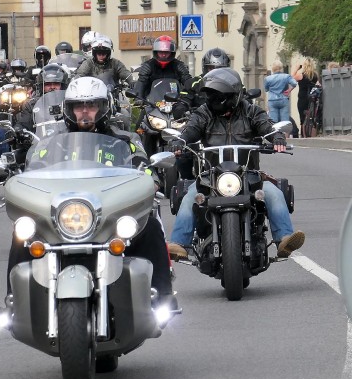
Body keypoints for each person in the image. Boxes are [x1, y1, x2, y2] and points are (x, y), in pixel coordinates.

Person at [0, 76, 177, 313]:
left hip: (109, 216)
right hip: (63, 217)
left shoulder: (125, 140)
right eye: (78, 106)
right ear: (68, 109)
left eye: (91, 106)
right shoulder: (50, 143)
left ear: (103, 108)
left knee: (151, 226)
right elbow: (34, 172)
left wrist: (151, 179)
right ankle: (12, 303)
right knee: (23, 231)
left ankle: (162, 295)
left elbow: (145, 170)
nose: (84, 112)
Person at [167, 68, 305, 261]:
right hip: (211, 176)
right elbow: (192, 129)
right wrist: (180, 141)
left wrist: (277, 137)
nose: (212, 99)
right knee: (191, 196)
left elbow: (267, 125)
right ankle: (179, 243)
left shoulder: (250, 111)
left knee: (274, 193)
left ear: (231, 95)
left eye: (217, 95)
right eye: (210, 95)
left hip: (248, 173)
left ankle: (283, 238)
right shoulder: (204, 112)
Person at [133, 35, 192, 99]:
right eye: (161, 52)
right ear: (156, 52)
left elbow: (187, 80)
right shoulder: (148, 66)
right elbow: (141, 83)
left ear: (172, 53)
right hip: (151, 104)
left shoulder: (178, 65)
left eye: (166, 52)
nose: (163, 55)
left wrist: (191, 95)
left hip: (176, 103)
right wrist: (138, 99)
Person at [292, 57, 321, 134]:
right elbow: (317, 84)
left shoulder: (301, 75)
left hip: (302, 98)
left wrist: (296, 68)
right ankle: (312, 135)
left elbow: (291, 78)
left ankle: (304, 135)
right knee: (312, 118)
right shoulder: (315, 75)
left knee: (303, 118)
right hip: (312, 98)